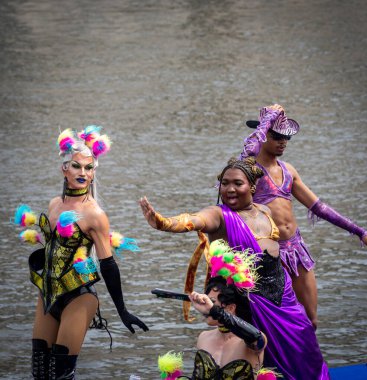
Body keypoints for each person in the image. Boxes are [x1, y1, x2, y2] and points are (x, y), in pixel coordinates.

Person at [140, 157, 330, 379]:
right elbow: (194, 220)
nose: (230, 189)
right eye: (225, 183)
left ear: (252, 186)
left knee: (308, 354)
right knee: (261, 361)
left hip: (285, 301)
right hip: (250, 304)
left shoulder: (265, 211)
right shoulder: (219, 215)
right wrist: (163, 223)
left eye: (237, 183)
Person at [15, 126, 148, 380]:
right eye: (77, 166)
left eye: (89, 168)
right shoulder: (55, 205)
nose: (83, 173)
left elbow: (108, 264)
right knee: (40, 370)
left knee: (61, 373)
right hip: (48, 293)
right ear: (64, 168)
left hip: (79, 297)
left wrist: (122, 310)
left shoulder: (94, 214)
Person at [239, 104, 367, 329]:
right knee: (271, 324)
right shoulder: (248, 170)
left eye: (287, 138)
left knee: (311, 321)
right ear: (263, 135)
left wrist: (359, 231)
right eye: (277, 137)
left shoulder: (288, 170)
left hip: (296, 251)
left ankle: (311, 365)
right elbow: (241, 160)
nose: (283, 142)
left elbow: (319, 207)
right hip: (266, 254)